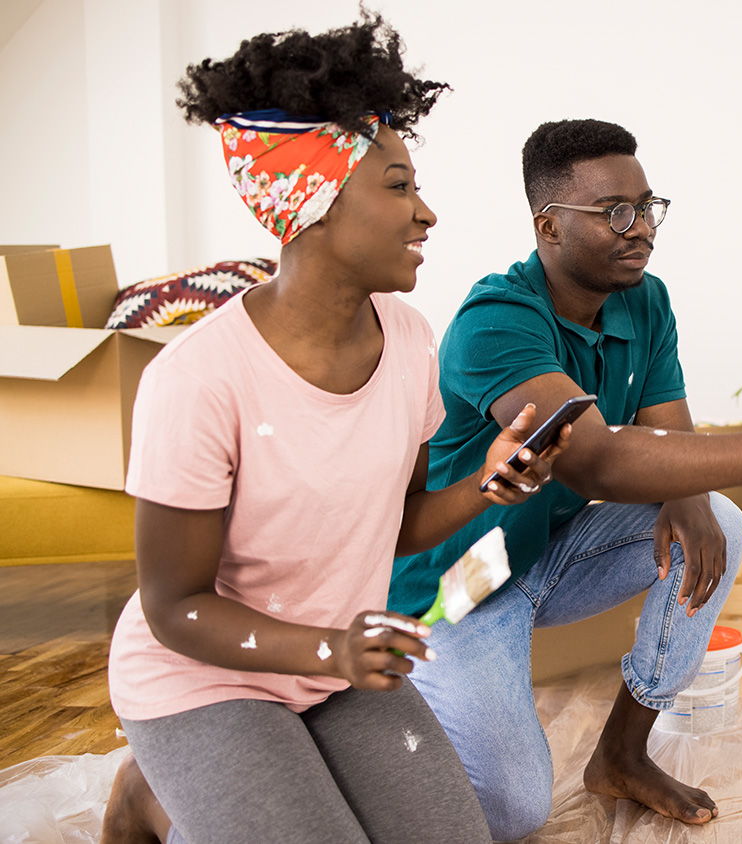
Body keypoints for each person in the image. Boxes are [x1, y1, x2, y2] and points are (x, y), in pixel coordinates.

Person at [100, 15, 569, 844]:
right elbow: (174, 607)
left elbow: (396, 523)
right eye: (397, 186)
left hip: (334, 663)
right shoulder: (197, 381)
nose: (426, 213)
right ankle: (156, 794)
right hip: (207, 678)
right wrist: (329, 649)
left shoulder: (410, 341)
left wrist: (484, 484)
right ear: (312, 202)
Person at [388, 118, 742, 840]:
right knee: (513, 810)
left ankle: (622, 753)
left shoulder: (645, 300)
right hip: (457, 586)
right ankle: (405, 707)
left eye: (648, 207)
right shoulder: (496, 320)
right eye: (616, 213)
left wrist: (686, 492)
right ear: (550, 226)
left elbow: (670, 433)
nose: (642, 230)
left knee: (713, 519)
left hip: (548, 550)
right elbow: (595, 458)